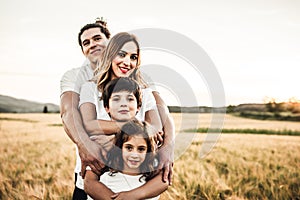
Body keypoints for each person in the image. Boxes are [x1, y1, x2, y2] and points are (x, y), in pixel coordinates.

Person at [60, 19, 174, 199]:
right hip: (96, 176)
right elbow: (78, 118)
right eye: (86, 42)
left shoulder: (144, 87)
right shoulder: (86, 84)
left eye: (133, 57)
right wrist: (136, 130)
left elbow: (158, 123)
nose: (127, 62)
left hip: (140, 184)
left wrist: (113, 140)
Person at [83, 77, 168, 199]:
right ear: (106, 107)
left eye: (129, 99)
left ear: (139, 107)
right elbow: (89, 183)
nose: (123, 104)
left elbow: (163, 179)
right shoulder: (99, 141)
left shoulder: (146, 136)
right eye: (116, 99)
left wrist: (131, 196)